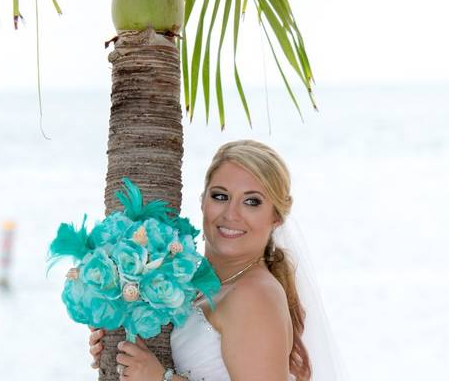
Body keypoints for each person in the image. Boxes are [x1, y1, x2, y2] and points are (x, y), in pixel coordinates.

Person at [89, 140, 312, 381]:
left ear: (276, 217)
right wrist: (116, 341)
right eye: (220, 196)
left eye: (252, 201)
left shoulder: (254, 295)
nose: (231, 214)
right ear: (203, 200)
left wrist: (161, 379)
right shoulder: (193, 285)